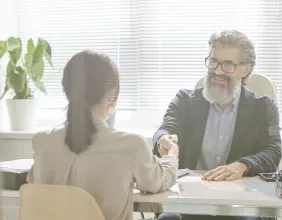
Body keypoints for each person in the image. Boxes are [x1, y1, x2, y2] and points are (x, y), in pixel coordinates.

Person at [27, 50, 179, 220]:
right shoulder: (132, 145)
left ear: (67, 91)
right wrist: (171, 155)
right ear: (112, 94)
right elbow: (158, 182)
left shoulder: (41, 142)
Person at [153, 30, 282, 220]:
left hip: (241, 202)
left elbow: (273, 152)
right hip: (190, 201)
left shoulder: (264, 108)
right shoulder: (185, 101)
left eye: (228, 64)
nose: (217, 71)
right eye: (213, 61)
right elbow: (165, 130)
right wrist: (163, 140)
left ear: (245, 70)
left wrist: (242, 165)